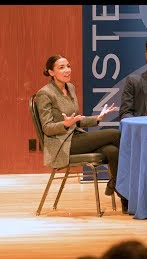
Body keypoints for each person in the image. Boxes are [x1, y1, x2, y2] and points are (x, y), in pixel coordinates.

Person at [35, 55, 129, 214]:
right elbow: (47, 128)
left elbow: (76, 120)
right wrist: (65, 124)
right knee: (115, 134)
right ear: (51, 72)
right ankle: (128, 184)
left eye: (68, 66)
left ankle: (124, 196)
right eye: (61, 67)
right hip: (61, 144)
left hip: (75, 136)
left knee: (112, 151)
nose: (67, 70)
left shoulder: (70, 87)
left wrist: (97, 118)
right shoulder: (45, 93)